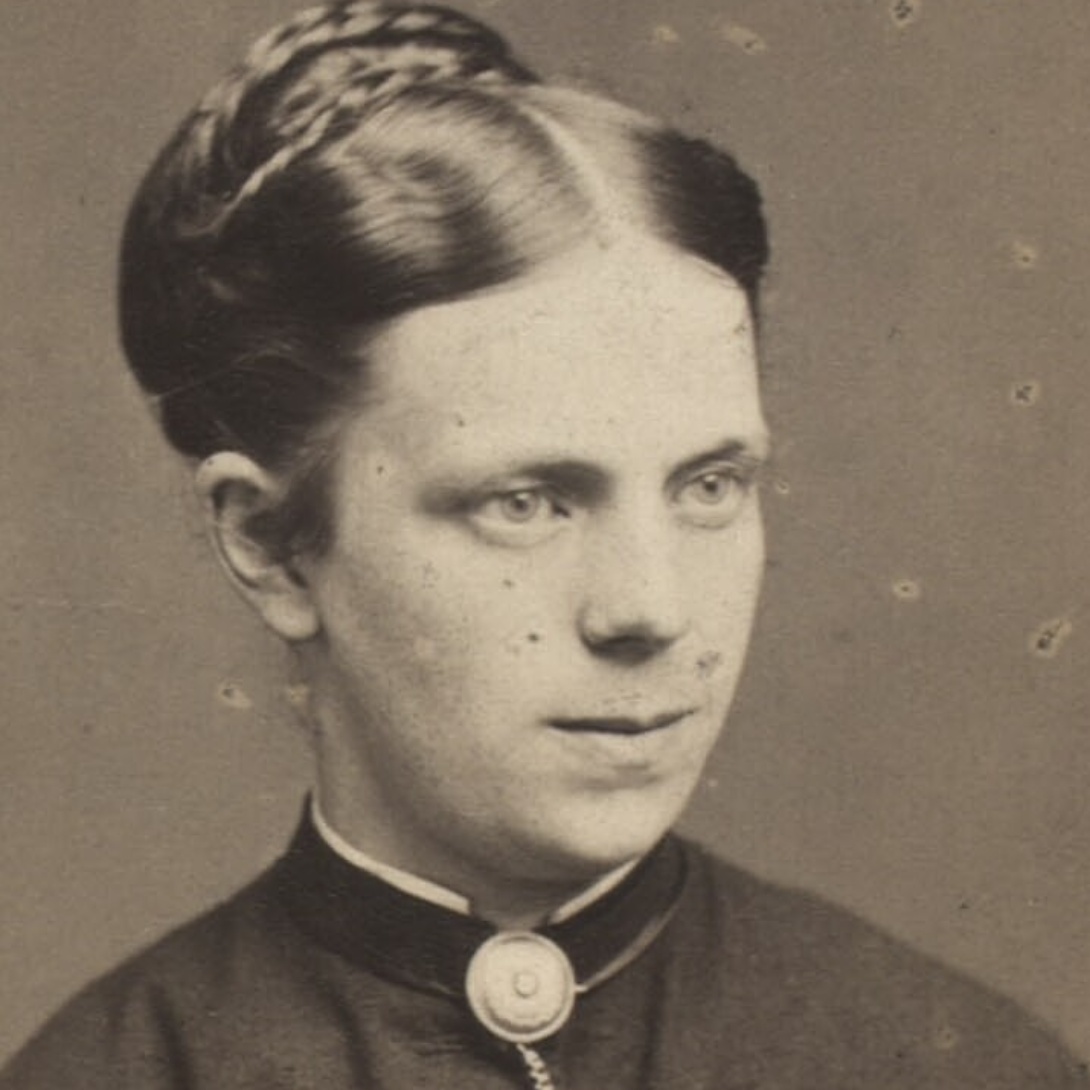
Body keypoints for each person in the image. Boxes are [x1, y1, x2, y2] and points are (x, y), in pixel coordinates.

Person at [1, 2, 1085, 1087]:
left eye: (708, 487)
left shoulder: (953, 1058)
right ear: (269, 546)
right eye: (525, 502)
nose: (649, 608)